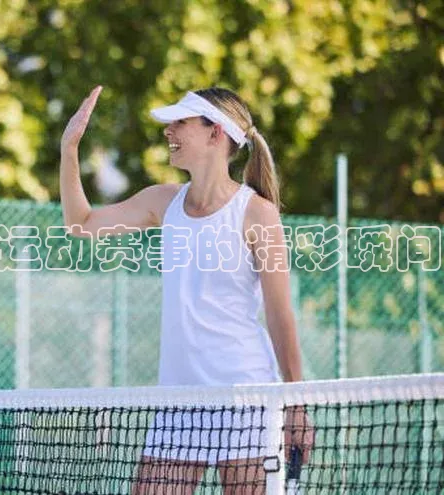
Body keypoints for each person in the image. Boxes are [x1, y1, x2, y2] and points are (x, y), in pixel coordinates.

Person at [59, 86, 314, 494]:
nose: (168, 131)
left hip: (246, 401)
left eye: (181, 122)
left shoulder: (257, 214)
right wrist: (69, 148)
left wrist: (296, 403)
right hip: (178, 404)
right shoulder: (162, 201)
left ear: (216, 133)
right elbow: (80, 224)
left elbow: (280, 317)